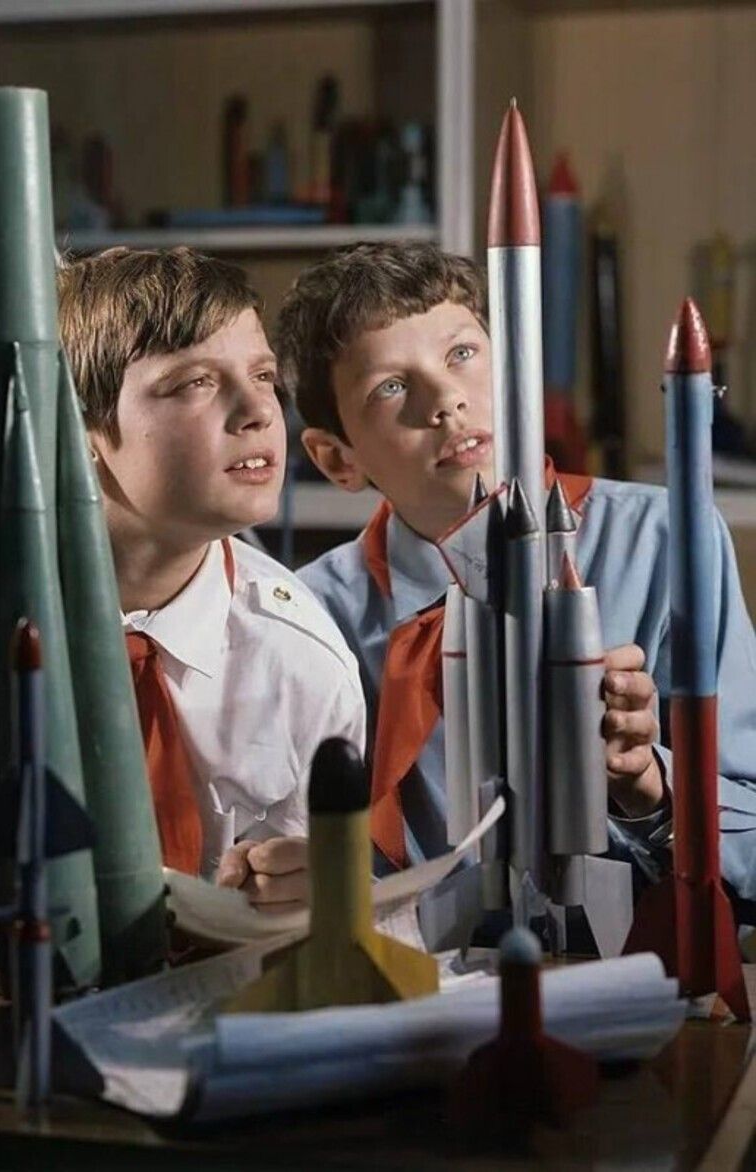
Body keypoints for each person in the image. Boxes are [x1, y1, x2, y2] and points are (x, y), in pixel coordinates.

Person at [276, 241, 756, 943]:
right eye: (391, 387)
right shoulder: (309, 615)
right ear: (336, 459)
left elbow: (750, 835)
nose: (447, 400)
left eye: (462, 353)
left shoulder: (665, 540)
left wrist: (648, 784)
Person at [0, 246, 365, 914]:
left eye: (263, 375)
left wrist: (294, 894)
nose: (259, 410)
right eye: (194, 382)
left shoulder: (300, 654)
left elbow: (299, 883)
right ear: (78, 428)